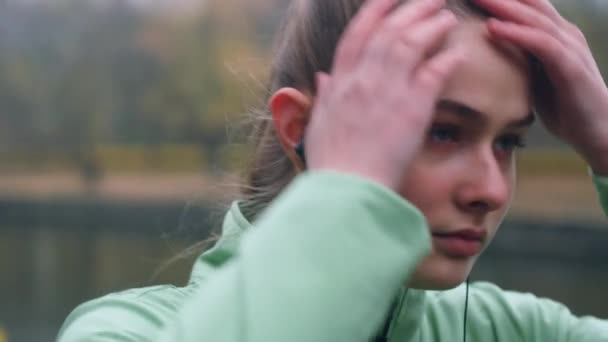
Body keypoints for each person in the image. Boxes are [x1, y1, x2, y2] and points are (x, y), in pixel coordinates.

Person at [57, 0, 608, 340]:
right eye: (441, 130)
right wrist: (345, 197)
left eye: (510, 141)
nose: (490, 189)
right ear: (301, 129)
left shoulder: (508, 332)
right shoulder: (120, 333)